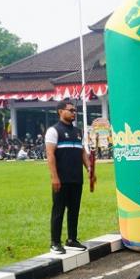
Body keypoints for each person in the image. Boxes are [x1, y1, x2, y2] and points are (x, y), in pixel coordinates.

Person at [46, 100, 96, 254]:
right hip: (61, 179)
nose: (74, 113)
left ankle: (72, 239)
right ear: (61, 111)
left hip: (76, 178)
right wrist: (54, 177)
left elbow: (82, 152)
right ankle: (55, 242)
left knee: (74, 210)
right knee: (58, 210)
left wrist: (89, 169)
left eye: (75, 110)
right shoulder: (54, 131)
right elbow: (50, 155)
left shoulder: (78, 131)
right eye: (71, 110)